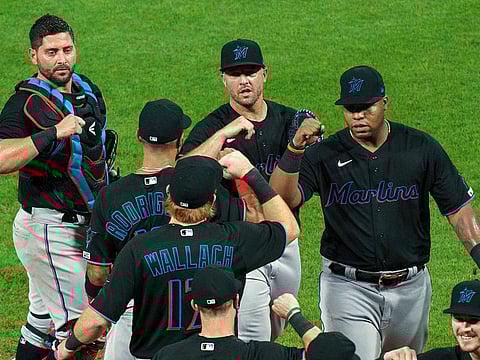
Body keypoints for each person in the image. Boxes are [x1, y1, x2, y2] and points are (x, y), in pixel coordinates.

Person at [270, 65, 480, 359]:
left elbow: (458, 210)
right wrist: (294, 149)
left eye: (365, 107)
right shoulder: (325, 154)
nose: (357, 115)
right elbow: (281, 198)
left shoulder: (420, 148)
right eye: (350, 108)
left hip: (411, 288)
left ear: (384, 102)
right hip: (348, 287)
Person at [55, 152, 300, 359]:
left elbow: (95, 322)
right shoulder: (234, 239)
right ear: (212, 200)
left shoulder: (140, 248)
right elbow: (289, 228)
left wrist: (65, 348)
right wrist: (250, 173)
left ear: (169, 195)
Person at [84, 99, 260, 359]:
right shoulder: (201, 192)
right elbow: (255, 218)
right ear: (180, 139)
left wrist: (105, 306)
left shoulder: (111, 196)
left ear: (138, 136)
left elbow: (97, 274)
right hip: (197, 317)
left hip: (132, 315)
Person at [180, 38, 309, 342]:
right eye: (235, 74)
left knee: (274, 333)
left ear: (266, 73)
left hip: (287, 242)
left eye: (251, 72)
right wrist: (224, 134)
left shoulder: (289, 120)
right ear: (223, 78)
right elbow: (183, 171)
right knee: (251, 339)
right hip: (242, 246)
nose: (244, 81)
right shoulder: (213, 126)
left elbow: (300, 187)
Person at [0, 14, 109, 359]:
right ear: (33, 56)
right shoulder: (25, 104)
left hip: (84, 224)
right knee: (83, 331)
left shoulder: (88, 91)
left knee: (42, 319)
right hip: (49, 228)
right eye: (51, 52)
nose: (61, 58)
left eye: (67, 49)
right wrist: (52, 133)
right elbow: (2, 158)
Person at [153, 265, 358, 360]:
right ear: (236, 301)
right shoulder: (264, 354)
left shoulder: (167, 355)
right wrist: (294, 315)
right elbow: (336, 353)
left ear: (195, 307)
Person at [383, 279, 480, 360]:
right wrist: (387, 358)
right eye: (458, 318)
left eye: (473, 320)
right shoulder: (445, 357)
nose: (464, 327)